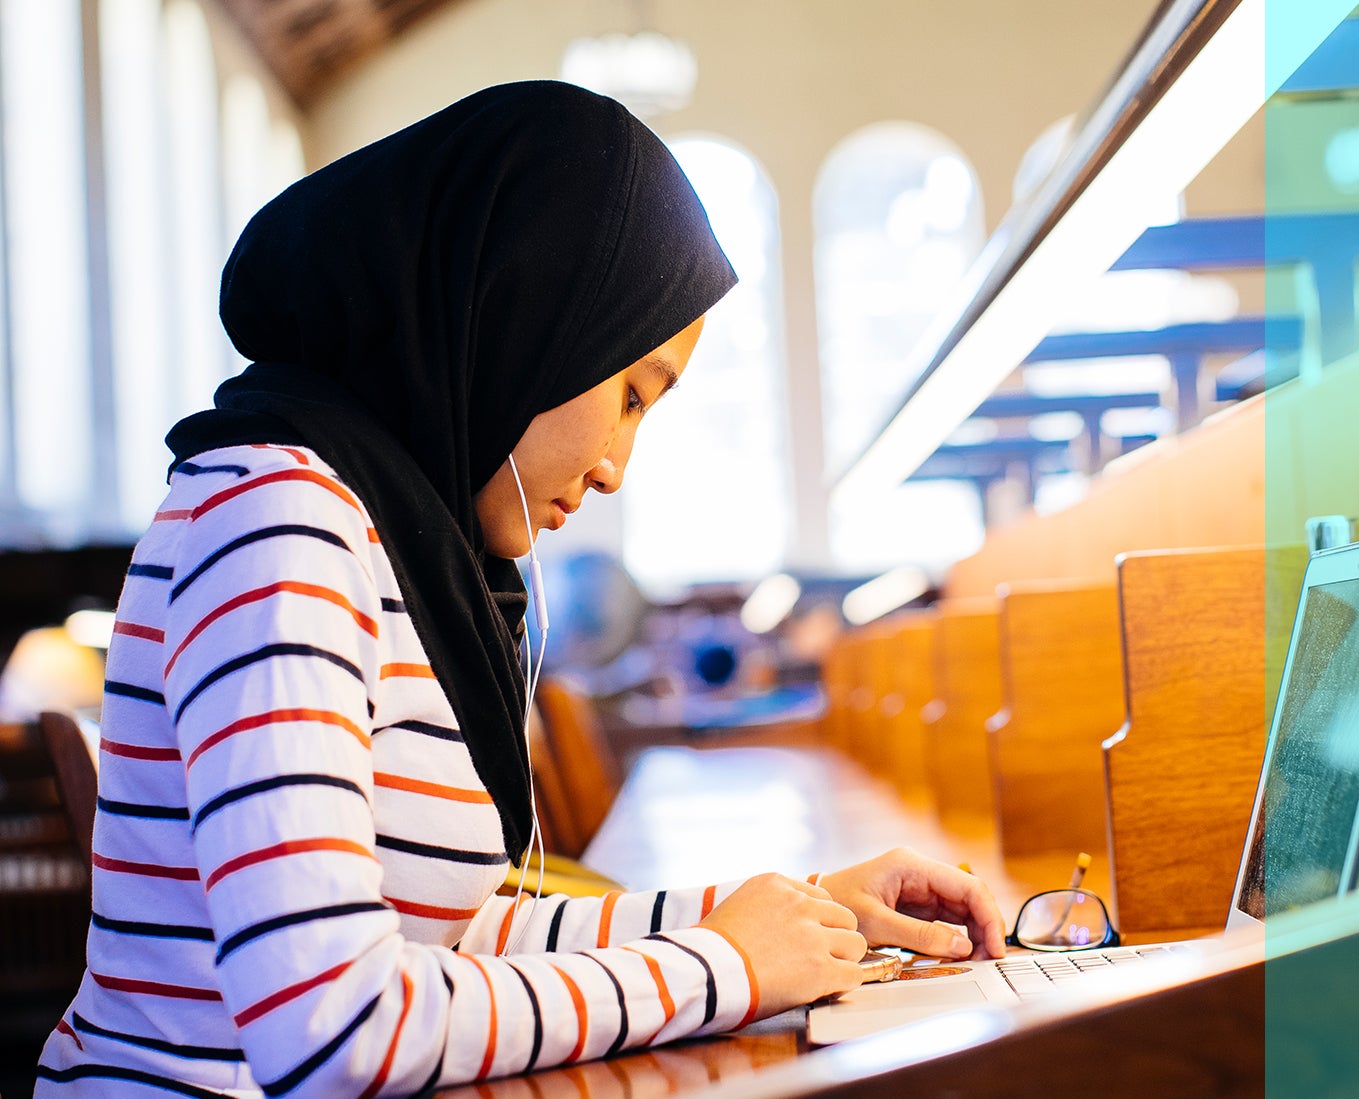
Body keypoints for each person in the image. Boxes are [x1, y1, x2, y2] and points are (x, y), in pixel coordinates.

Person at [36, 81, 1003, 1095]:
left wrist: (799, 915)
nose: (619, 464)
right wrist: (725, 965)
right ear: (524, 316)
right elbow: (335, 1027)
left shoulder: (382, 533)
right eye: (630, 394)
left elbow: (443, 935)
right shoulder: (278, 518)